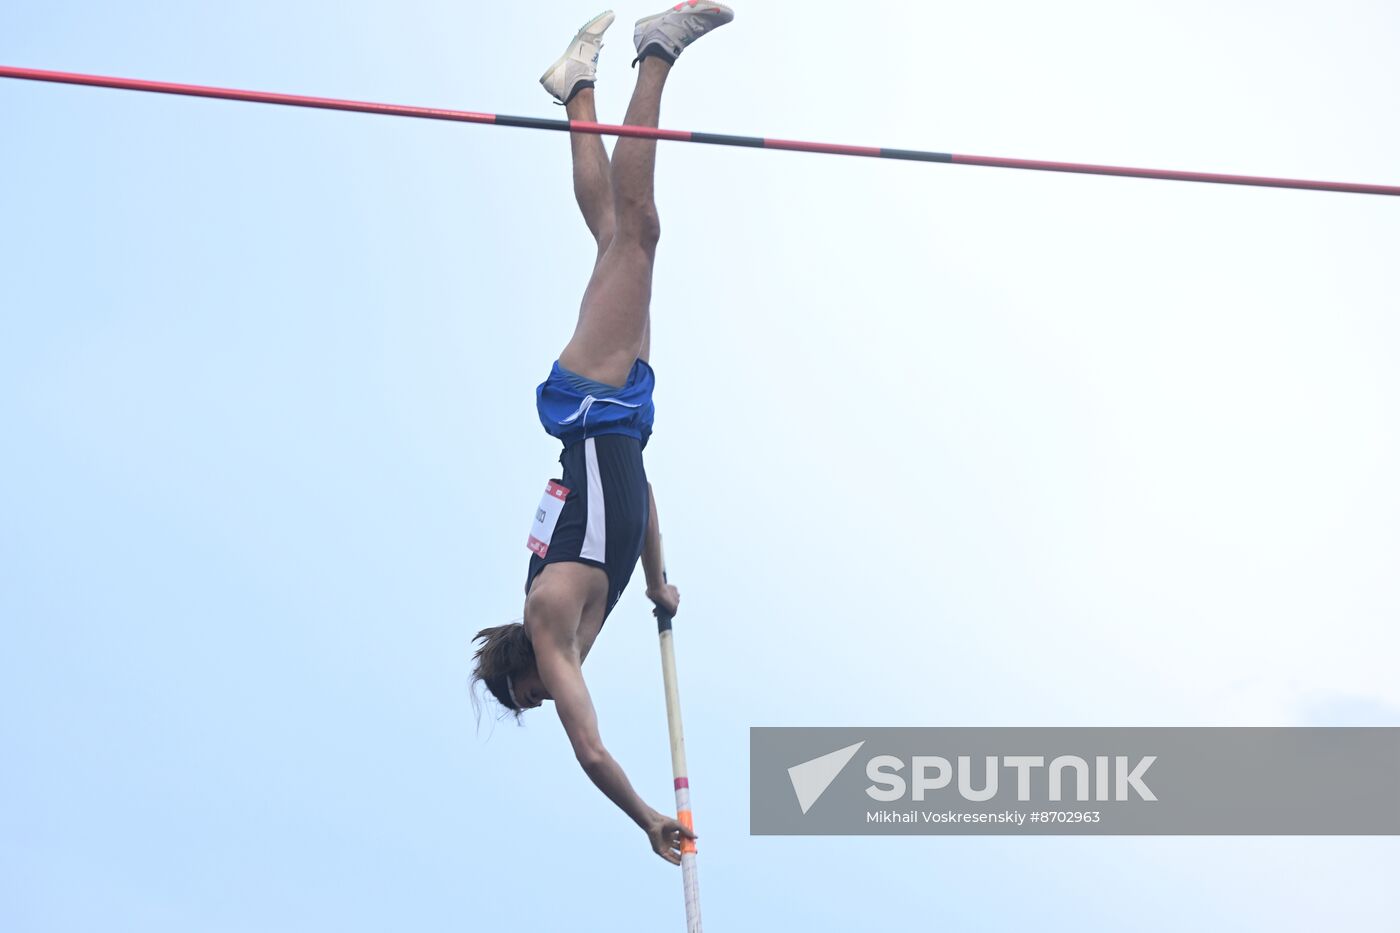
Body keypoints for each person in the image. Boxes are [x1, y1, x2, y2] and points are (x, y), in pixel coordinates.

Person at [470, 4, 734, 866]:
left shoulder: (550, 613)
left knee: (640, 228)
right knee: (620, 232)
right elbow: (635, 497)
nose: (550, 698)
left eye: (531, 694)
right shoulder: (587, 604)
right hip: (621, 419)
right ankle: (578, 88)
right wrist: (659, 578)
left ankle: (655, 52)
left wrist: (646, 815)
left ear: (522, 661)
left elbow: (589, 750)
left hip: (593, 400)